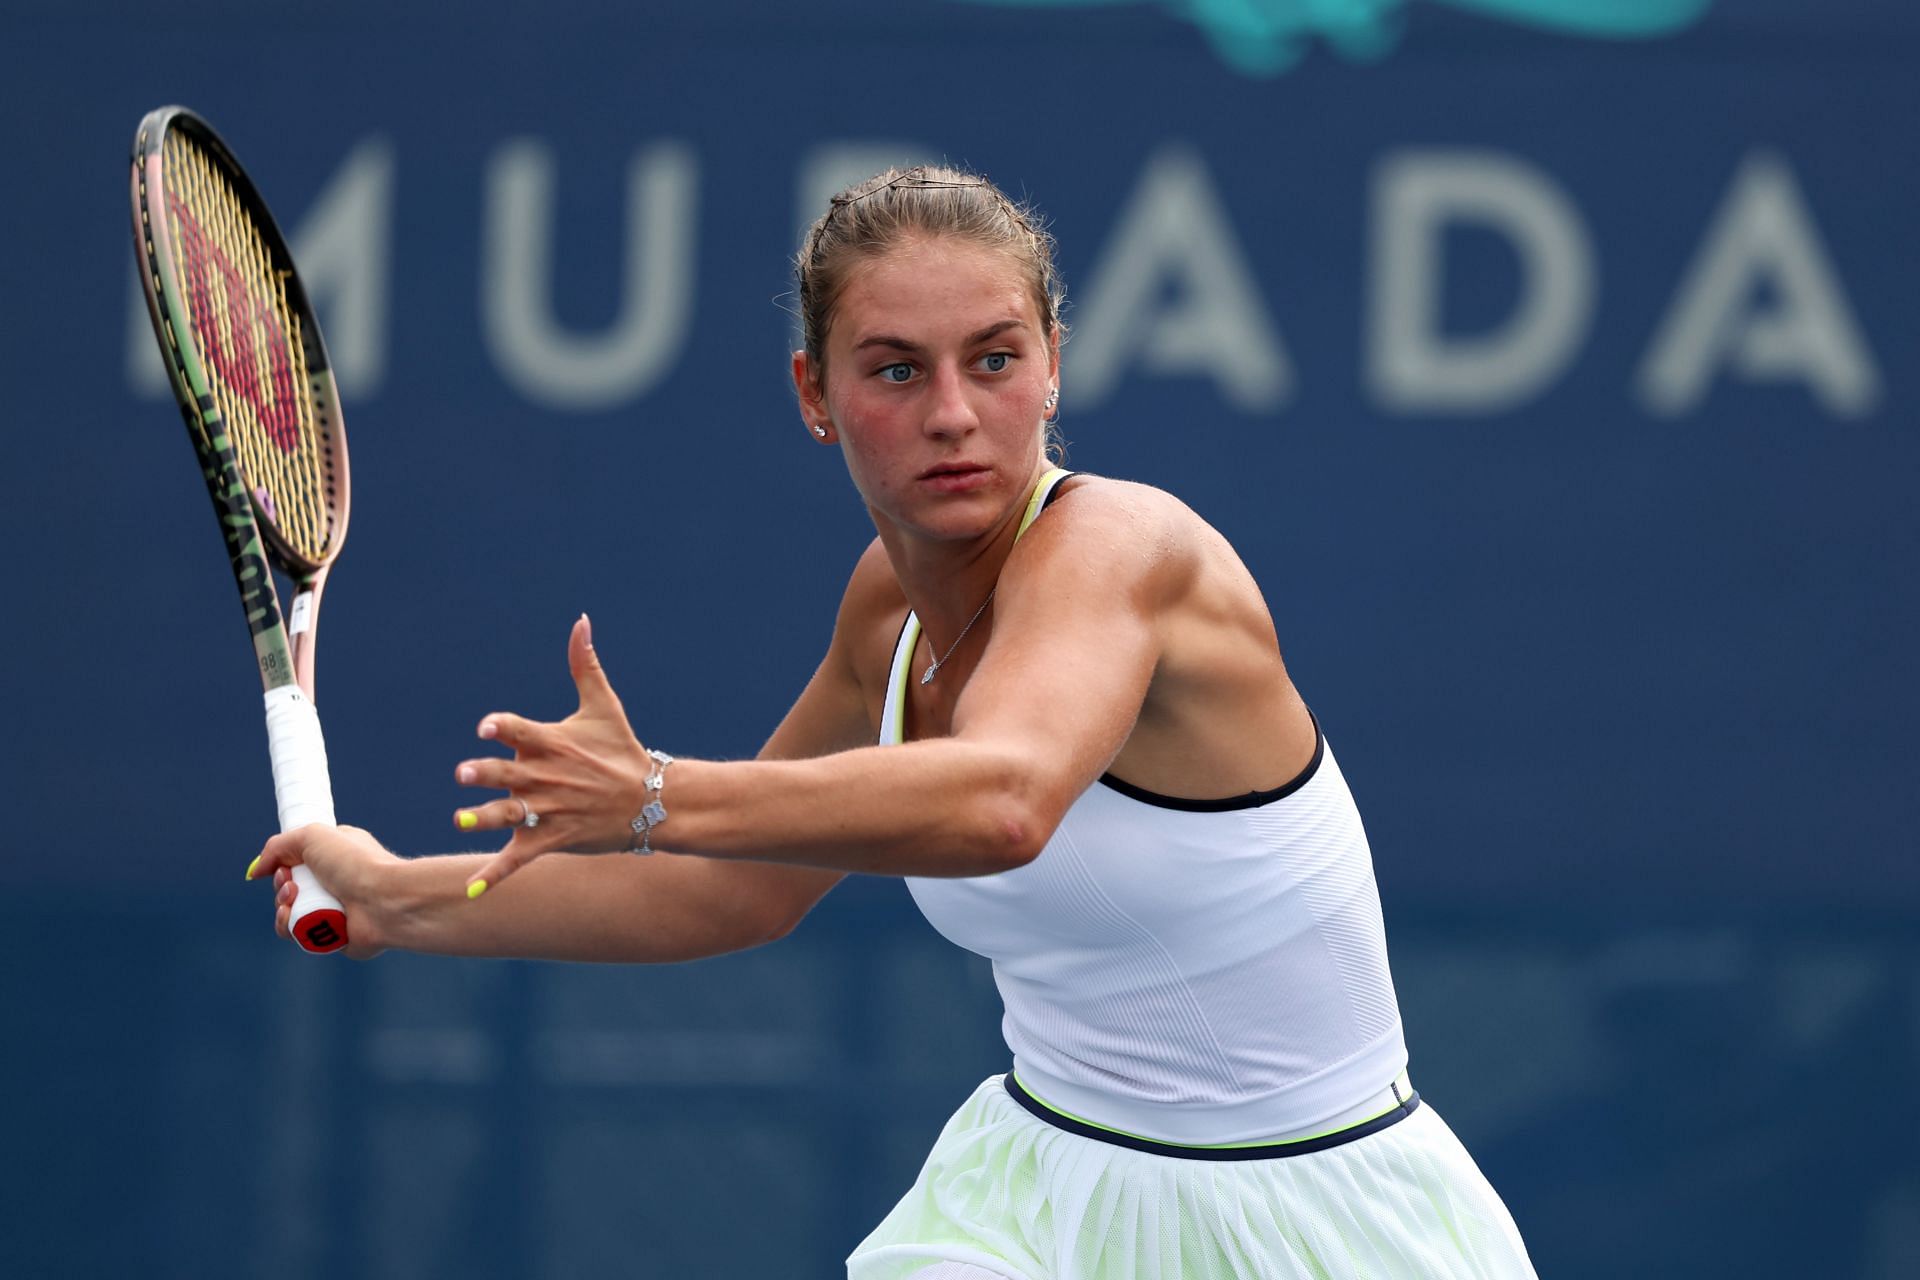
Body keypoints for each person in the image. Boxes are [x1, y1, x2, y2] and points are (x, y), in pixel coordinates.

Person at [253, 165, 1537, 1280]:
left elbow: (1003, 801)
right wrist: (395, 899)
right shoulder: (888, 610)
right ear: (816, 394)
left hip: (1323, 1216)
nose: (951, 412)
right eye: (893, 369)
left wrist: (652, 791)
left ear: (1050, 368)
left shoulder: (1129, 550)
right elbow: (728, 898)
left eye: (994, 358)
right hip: (1043, 1192)